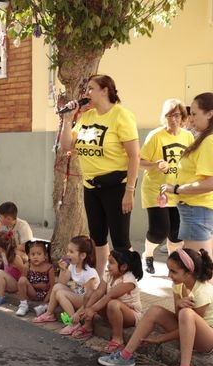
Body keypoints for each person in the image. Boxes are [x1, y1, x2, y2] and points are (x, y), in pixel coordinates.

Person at [98, 248, 213, 366]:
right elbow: (180, 319)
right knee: (155, 310)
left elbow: (189, 324)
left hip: (211, 337)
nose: (169, 275)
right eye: (169, 270)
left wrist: (161, 338)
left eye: (173, 271)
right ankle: (125, 355)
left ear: (189, 273)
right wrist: (178, 304)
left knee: (186, 312)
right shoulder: (178, 284)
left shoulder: (204, 291)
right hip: (188, 329)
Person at [57, 74, 140, 276]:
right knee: (98, 237)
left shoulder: (121, 115)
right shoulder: (86, 116)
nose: (86, 93)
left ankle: (127, 281)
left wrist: (129, 190)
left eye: (91, 88)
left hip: (116, 185)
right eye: (86, 89)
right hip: (91, 187)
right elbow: (65, 146)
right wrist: (68, 119)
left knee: (120, 240)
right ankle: (101, 278)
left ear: (105, 91)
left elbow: (134, 156)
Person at [160, 91, 213, 287]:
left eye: (194, 113)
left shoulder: (211, 140)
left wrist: (176, 188)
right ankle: (210, 313)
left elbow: (211, 182)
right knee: (206, 265)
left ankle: (205, 315)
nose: (190, 118)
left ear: (209, 114)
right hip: (201, 209)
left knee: (199, 269)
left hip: (198, 209)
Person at [139, 98, 193, 274]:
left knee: (177, 233)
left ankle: (174, 266)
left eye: (176, 115)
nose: (173, 119)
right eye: (169, 115)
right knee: (159, 231)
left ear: (183, 117)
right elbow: (140, 161)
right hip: (156, 190)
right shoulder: (156, 136)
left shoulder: (188, 136)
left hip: (178, 190)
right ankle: (147, 254)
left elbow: (190, 162)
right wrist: (155, 165)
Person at [68, 249, 144, 353]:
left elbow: (109, 296)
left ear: (124, 267)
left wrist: (92, 309)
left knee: (113, 303)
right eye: (108, 262)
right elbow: (99, 292)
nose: (108, 266)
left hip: (130, 315)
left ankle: (118, 338)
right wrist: (86, 309)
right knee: (91, 294)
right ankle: (88, 325)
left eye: (112, 263)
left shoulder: (128, 280)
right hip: (111, 311)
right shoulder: (108, 275)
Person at [33, 235, 100, 325]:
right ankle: (49, 314)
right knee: (57, 287)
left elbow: (89, 298)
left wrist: (78, 313)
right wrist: (63, 269)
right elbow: (62, 283)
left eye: (71, 252)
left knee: (61, 293)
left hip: (86, 303)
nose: (68, 254)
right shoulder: (72, 266)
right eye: (68, 251)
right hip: (77, 296)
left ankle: (73, 321)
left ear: (83, 255)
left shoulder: (90, 273)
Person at [16, 240, 54, 317]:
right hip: (32, 293)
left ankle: (44, 306)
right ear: (29, 256)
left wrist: (45, 301)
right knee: (22, 279)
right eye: (33, 254)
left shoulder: (49, 268)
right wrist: (37, 286)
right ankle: (23, 305)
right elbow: (22, 282)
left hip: (46, 295)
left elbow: (52, 286)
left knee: (54, 290)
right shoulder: (28, 266)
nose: (35, 257)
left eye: (39, 254)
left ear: (45, 256)